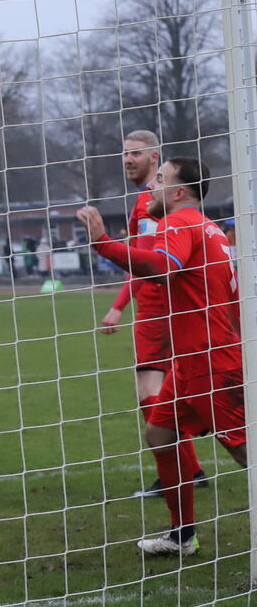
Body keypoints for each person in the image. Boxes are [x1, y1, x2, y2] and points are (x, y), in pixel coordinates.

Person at [78, 157, 246, 556]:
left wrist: (103, 243)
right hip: (191, 361)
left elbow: (160, 267)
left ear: (178, 192)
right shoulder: (212, 230)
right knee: (159, 433)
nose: (151, 187)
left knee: (244, 451)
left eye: (159, 179)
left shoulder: (179, 222)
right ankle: (182, 535)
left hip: (209, 362)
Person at [97, 130, 207, 498]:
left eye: (136, 154)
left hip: (158, 306)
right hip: (158, 303)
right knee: (170, 387)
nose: (127, 160)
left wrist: (119, 306)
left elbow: (148, 263)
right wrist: (118, 306)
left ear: (155, 157)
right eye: (124, 154)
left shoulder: (152, 203)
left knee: (153, 390)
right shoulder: (145, 202)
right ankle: (190, 469)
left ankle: (181, 471)